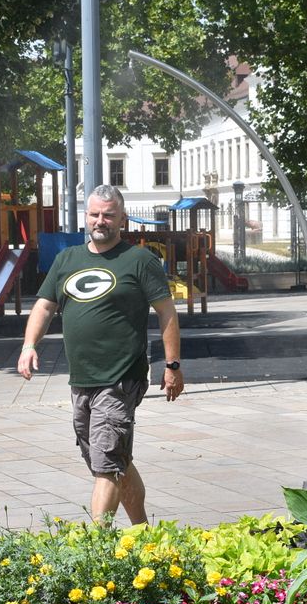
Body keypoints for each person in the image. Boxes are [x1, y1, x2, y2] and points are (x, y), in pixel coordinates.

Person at [17, 184, 183, 526]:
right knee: (108, 459)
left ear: (122, 218)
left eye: (108, 215)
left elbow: (166, 313)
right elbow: (45, 306)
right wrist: (29, 346)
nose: (100, 221)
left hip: (121, 378)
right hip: (81, 377)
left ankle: (99, 546)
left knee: (106, 462)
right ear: (86, 217)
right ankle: (142, 533)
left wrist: (172, 365)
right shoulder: (67, 259)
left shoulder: (138, 260)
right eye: (94, 214)